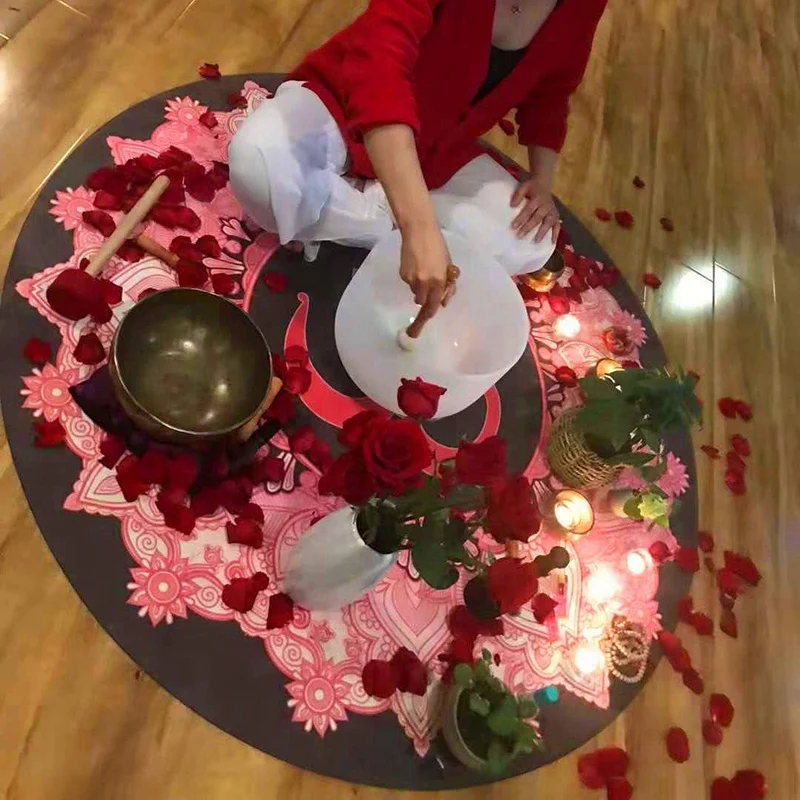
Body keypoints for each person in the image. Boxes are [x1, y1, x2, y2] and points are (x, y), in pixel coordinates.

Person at [229, 0, 607, 319]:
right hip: (341, 103)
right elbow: (379, 61)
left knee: (533, 245)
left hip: (436, 149)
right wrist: (418, 226)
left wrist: (542, 180)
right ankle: (391, 220)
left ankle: (351, 207)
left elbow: (552, 91)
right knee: (256, 164)